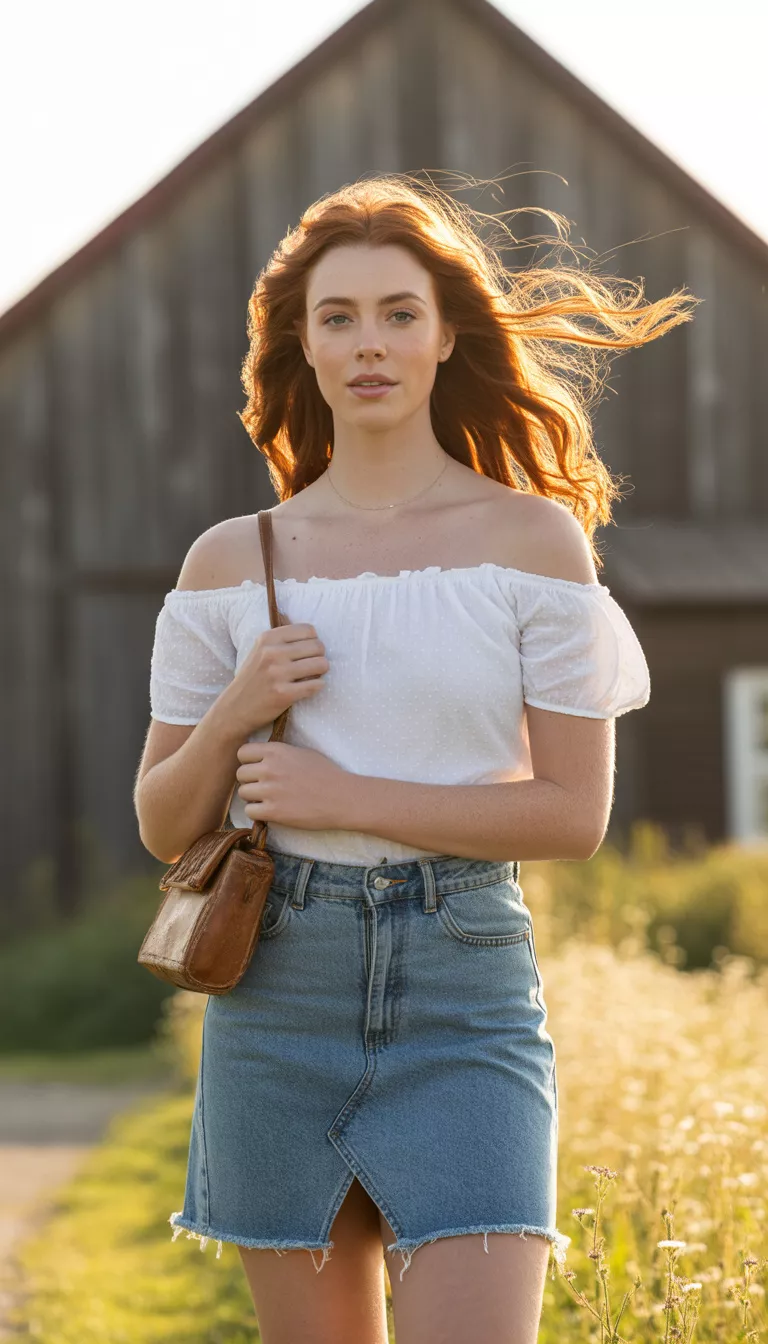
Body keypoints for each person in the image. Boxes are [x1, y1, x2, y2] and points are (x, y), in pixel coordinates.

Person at [135, 174, 698, 1344]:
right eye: (337, 317)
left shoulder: (530, 540)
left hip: (465, 988)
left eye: (398, 313)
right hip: (274, 990)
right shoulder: (230, 562)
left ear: (447, 335)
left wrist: (347, 796)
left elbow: (570, 816)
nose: (368, 344)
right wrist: (239, 709)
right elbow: (160, 822)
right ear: (302, 343)